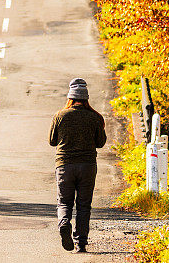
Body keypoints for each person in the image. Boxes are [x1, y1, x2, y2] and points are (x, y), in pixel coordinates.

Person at [48, 78, 106, 252]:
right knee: (83, 205)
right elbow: (101, 143)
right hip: (87, 166)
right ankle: (81, 242)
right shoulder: (95, 117)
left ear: (70, 97)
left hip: (64, 165)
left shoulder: (60, 116)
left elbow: (52, 141)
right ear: (86, 97)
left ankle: (64, 223)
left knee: (64, 203)